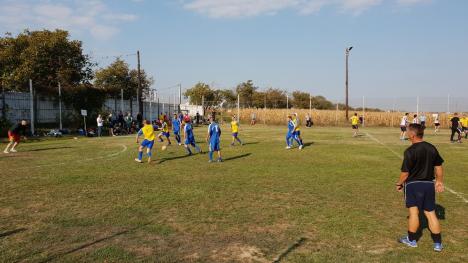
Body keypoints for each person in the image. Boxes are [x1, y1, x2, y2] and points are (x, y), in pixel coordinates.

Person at [396, 124, 444, 252]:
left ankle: (411, 240)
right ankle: (438, 243)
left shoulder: (410, 151)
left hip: (412, 185)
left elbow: (405, 173)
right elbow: (438, 166)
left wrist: (399, 183)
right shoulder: (431, 148)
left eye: (407, 132)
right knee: (430, 213)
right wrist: (439, 181)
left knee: (413, 212)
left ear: (412, 135)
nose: (406, 134)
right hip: (428, 185)